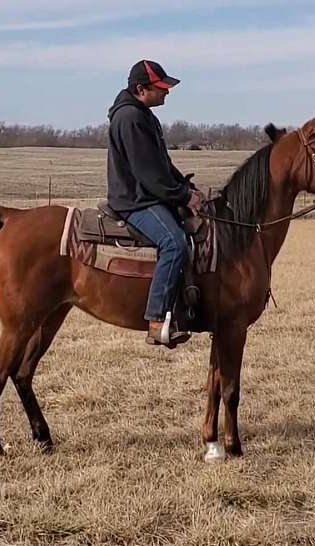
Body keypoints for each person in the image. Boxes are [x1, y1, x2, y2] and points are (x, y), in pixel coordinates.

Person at [107, 59, 204, 347]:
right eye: (160, 88)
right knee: (174, 242)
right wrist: (183, 197)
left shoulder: (145, 115)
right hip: (135, 200)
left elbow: (162, 164)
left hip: (149, 194)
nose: (167, 92)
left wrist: (187, 188)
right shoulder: (130, 118)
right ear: (141, 89)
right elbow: (148, 175)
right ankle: (157, 319)